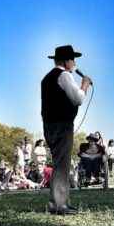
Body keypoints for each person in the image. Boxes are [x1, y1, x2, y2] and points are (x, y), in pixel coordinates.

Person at [41, 45, 91, 215]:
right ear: (66, 61)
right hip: (62, 124)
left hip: (49, 125)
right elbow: (77, 99)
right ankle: (59, 204)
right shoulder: (64, 75)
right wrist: (84, 84)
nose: (74, 62)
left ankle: (57, 202)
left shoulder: (46, 78)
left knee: (58, 162)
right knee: (62, 164)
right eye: (73, 59)